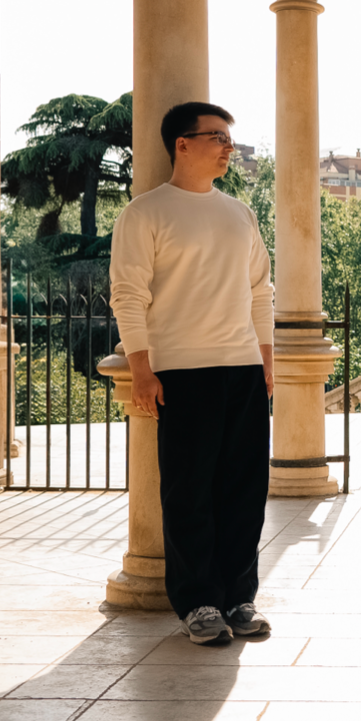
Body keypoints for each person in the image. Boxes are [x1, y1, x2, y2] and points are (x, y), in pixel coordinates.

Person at [110, 102, 275, 646]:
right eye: (217, 137)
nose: (229, 146)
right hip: (182, 370)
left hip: (243, 369)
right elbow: (128, 294)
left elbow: (260, 292)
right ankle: (198, 602)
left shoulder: (239, 213)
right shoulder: (145, 213)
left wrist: (265, 363)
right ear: (182, 144)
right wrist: (141, 367)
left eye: (229, 138)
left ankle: (238, 598)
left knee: (245, 492)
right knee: (190, 493)